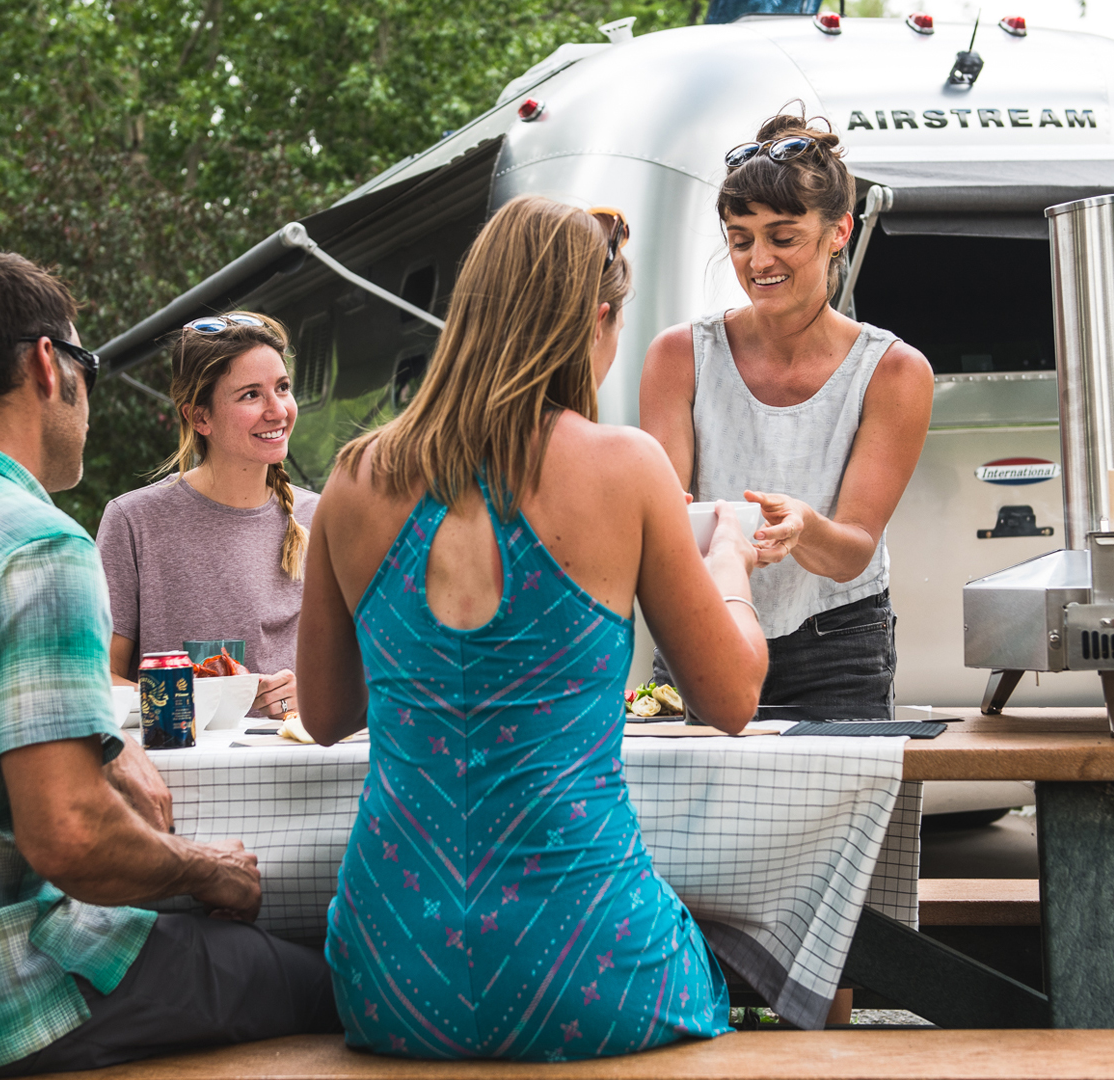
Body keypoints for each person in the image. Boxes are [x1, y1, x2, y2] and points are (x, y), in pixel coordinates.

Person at [0, 254, 338, 1080]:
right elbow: (73, 839)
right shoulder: (38, 543)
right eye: (88, 367)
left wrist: (110, 746)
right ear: (49, 365)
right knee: (314, 975)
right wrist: (207, 869)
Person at [296, 196, 769, 1061]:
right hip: (587, 957)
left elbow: (325, 716)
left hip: (394, 970)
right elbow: (733, 696)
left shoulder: (355, 478)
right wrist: (729, 561)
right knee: (763, 971)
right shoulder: (627, 467)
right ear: (596, 319)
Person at [639, 112, 934, 717]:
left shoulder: (894, 371)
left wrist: (805, 527)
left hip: (838, 644)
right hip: (701, 623)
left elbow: (851, 551)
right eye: (740, 239)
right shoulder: (679, 355)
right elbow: (666, 522)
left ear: (838, 232)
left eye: (782, 236)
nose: (758, 260)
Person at [97, 313, 314, 718]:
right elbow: (96, 677)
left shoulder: (321, 518)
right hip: (183, 776)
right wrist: (205, 704)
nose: (277, 410)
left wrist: (316, 698)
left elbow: (374, 671)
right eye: (251, 395)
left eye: (282, 388)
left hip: (302, 773)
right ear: (200, 418)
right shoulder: (132, 521)